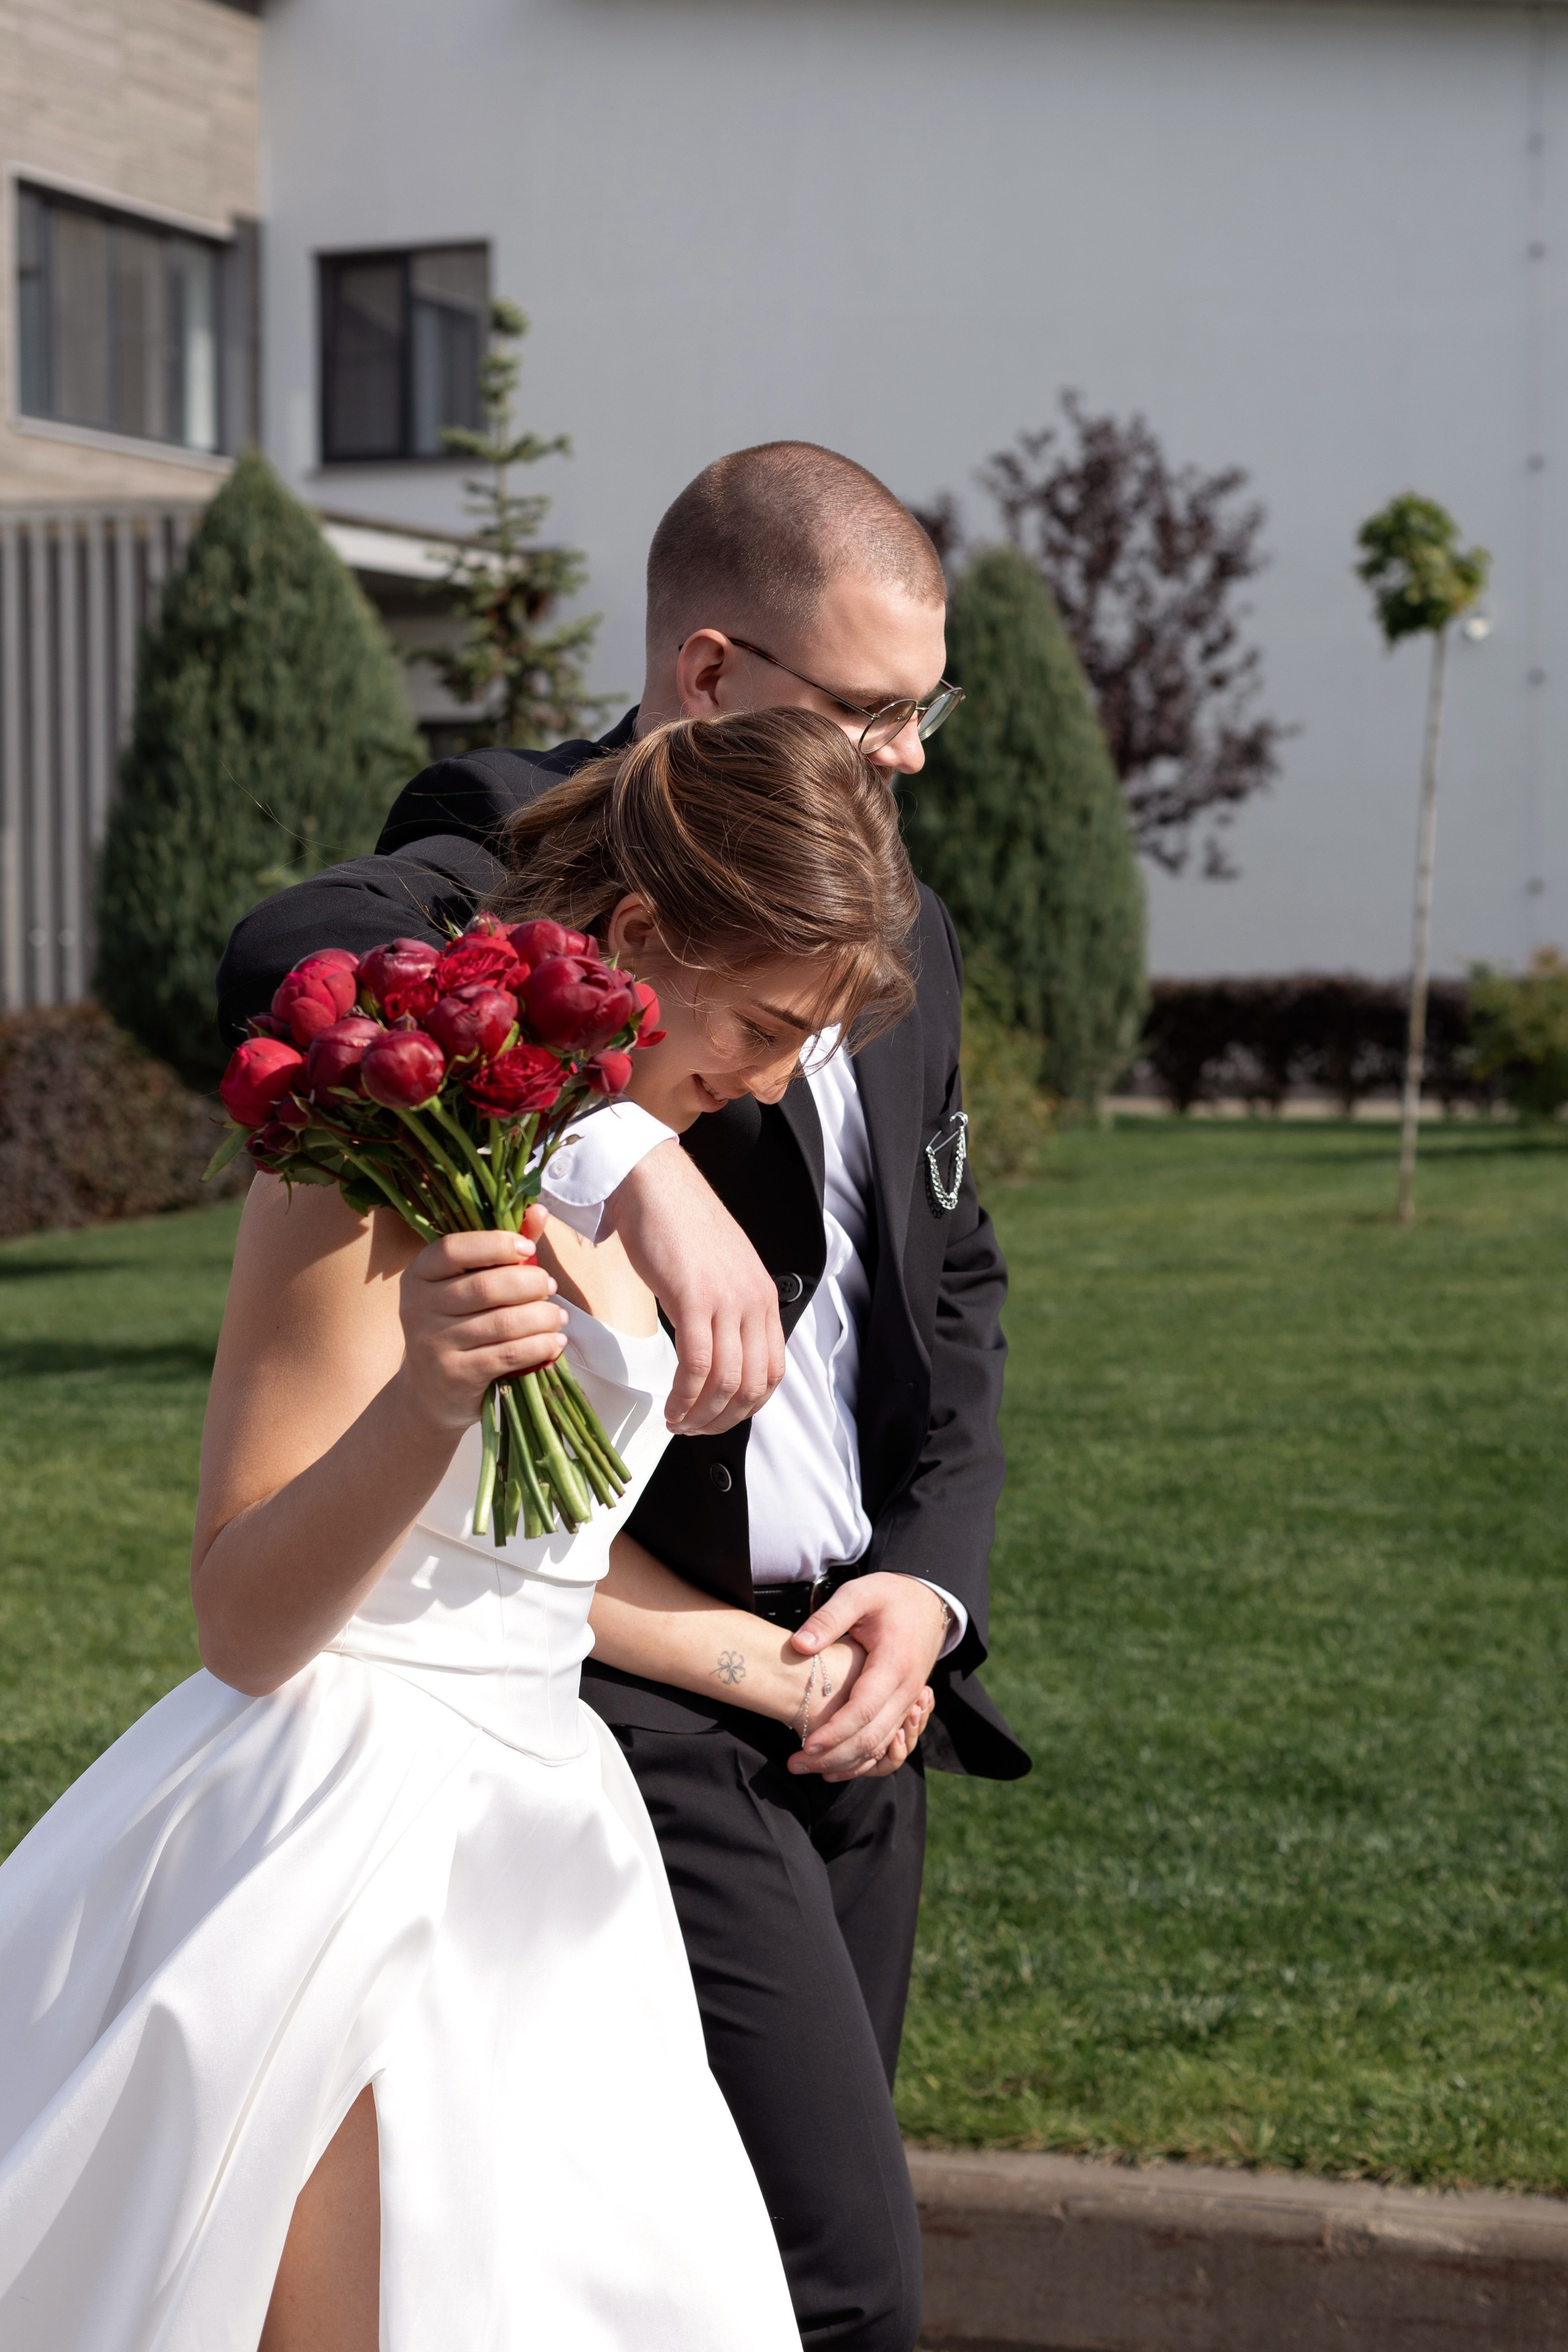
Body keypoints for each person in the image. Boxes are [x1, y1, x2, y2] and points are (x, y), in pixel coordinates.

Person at [218, 442, 1030, 2352]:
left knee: (726, 2270)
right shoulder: (519, 842)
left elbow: (950, 1282)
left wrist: (926, 1588)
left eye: (927, 713)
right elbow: (294, 968)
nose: (908, 756)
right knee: (832, 2279)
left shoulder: (898, 916)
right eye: (872, 709)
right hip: (615, 1690)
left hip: (850, 1679)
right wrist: (609, 1144)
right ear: (713, 673)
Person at [0, 709, 933, 2351]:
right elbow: (243, 1622)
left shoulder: (641, 1169)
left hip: (557, 1843)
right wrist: (423, 1401)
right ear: (637, 937)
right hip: (340, 1829)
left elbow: (529, 1559)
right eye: (767, 1024)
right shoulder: (373, 1154)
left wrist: (772, 1666)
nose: (776, 1082)